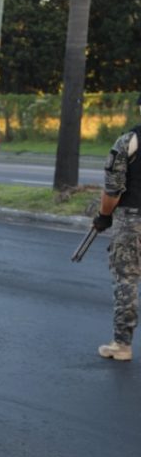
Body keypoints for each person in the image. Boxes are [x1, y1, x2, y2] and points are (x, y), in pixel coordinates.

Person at [93, 94, 141, 361]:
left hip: (132, 221)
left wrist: (103, 216)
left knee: (127, 280)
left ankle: (122, 345)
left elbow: (112, 190)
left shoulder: (128, 142)